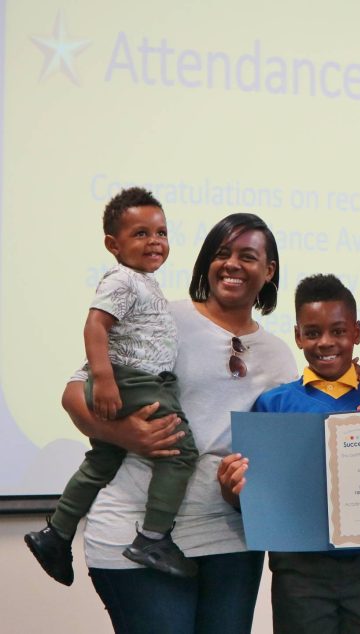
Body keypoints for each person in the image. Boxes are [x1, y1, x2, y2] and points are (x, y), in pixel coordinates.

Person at [57, 213, 297, 634]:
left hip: (229, 539)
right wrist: (125, 434)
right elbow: (75, 394)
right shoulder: (165, 319)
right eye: (222, 253)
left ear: (269, 270)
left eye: (247, 256)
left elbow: (279, 458)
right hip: (133, 533)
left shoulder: (279, 357)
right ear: (207, 262)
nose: (232, 264)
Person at [218, 274, 360, 634]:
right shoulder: (273, 404)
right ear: (298, 336)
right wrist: (232, 489)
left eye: (339, 331)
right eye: (313, 333)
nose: (326, 342)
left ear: (357, 332)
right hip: (299, 573)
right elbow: (255, 499)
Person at [25, 187, 198, 584]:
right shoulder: (122, 279)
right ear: (112, 245)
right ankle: (153, 538)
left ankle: (56, 533)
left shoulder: (144, 281)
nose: (154, 241)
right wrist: (103, 378)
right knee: (180, 450)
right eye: (140, 233)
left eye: (161, 232)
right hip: (131, 381)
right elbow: (95, 325)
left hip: (130, 381)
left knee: (103, 459)